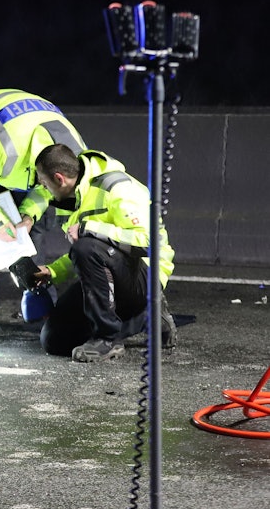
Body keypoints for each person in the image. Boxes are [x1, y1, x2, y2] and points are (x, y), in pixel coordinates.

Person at [0, 89, 86, 340]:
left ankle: (39, 303)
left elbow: (48, 190)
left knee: (39, 221)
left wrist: (29, 215)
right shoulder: (0, 148)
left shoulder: (74, 154)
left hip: (23, 149)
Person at [31, 143, 177, 362]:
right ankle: (145, 318)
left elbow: (149, 242)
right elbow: (92, 256)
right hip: (114, 275)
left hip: (145, 277)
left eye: (44, 183)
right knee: (54, 339)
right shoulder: (73, 199)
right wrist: (53, 272)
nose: (44, 189)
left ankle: (107, 339)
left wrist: (90, 229)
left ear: (59, 179)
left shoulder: (117, 187)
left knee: (86, 244)